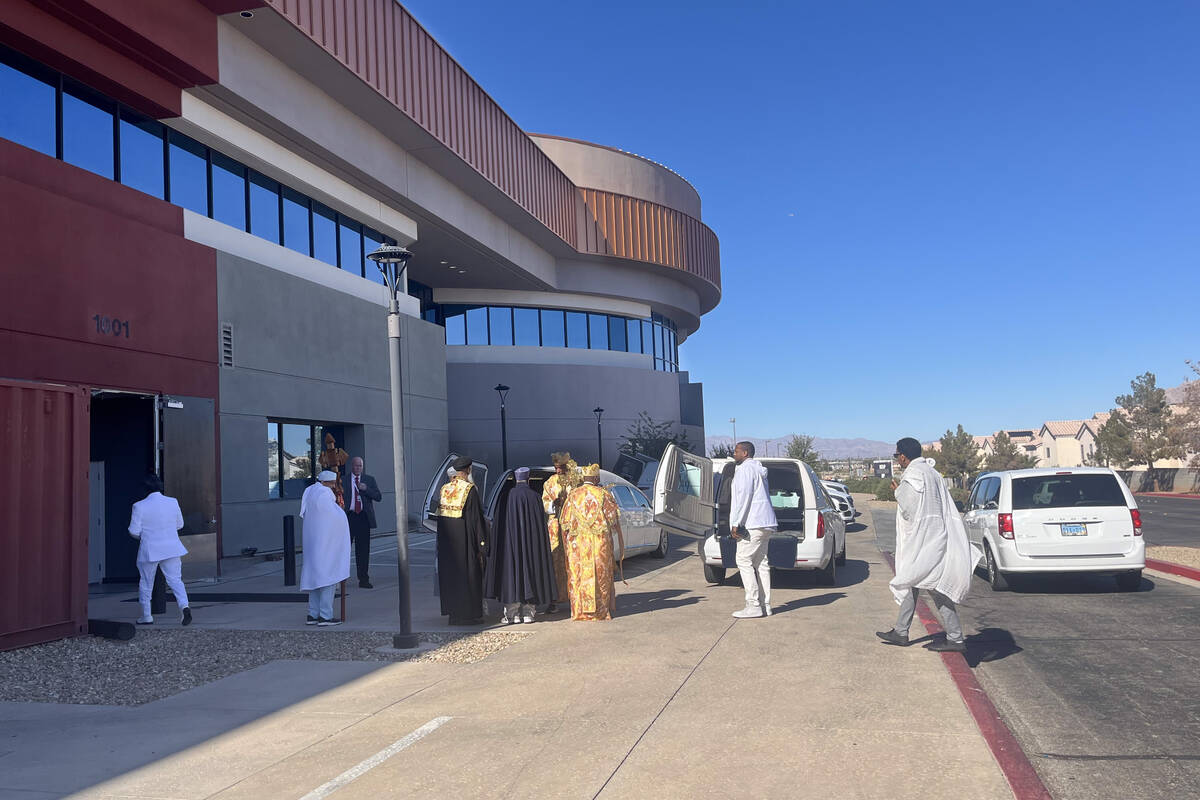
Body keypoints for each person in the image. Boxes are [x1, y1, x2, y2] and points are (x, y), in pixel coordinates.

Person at [876, 437, 981, 652]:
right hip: (936, 535)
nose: (898, 460)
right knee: (911, 582)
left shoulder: (914, 474)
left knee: (934, 587)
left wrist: (897, 491)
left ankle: (955, 638)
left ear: (903, 456)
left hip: (924, 540)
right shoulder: (932, 473)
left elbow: (909, 508)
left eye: (897, 456)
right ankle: (901, 631)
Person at [485, 467, 558, 623]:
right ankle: (528, 612)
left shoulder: (506, 496)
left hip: (510, 543)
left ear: (514, 479)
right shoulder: (534, 497)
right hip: (531, 543)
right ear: (529, 479)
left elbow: (498, 524)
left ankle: (511, 614)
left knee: (511, 572)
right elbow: (541, 524)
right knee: (531, 570)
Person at [559, 464, 625, 621]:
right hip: (599, 544)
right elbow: (613, 518)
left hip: (578, 545)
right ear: (596, 478)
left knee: (579, 576)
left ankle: (578, 612)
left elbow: (564, 522)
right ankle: (600, 612)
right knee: (600, 574)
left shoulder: (573, 495)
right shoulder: (603, 494)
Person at [128, 474, 191, 626]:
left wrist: (146, 535)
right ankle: (184, 607)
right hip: (172, 547)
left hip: (150, 549)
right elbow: (180, 524)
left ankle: (146, 615)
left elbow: (134, 531)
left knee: (146, 582)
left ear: (145, 489)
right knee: (176, 580)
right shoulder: (172, 502)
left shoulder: (139, 506)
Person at [436, 456, 489, 625]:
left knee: (450, 578)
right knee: (468, 577)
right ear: (468, 470)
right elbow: (475, 519)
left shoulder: (444, 489)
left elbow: (440, 518)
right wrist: (482, 543)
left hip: (447, 545)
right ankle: (468, 615)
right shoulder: (469, 490)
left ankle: (453, 614)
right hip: (466, 544)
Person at [728, 441, 778, 619]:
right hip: (766, 523)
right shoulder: (758, 469)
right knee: (761, 563)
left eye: (736, 451)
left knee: (742, 559)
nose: (734, 454)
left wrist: (736, 523)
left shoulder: (745, 470)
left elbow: (743, 497)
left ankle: (753, 605)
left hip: (753, 523)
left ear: (745, 453)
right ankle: (766, 605)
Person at [300, 470, 351, 626]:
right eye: (333, 483)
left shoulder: (310, 492)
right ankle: (325, 616)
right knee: (328, 578)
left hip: (312, 544)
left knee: (314, 579)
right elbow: (336, 517)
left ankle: (312, 614)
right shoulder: (325, 495)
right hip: (326, 544)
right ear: (329, 483)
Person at [541, 452, 577, 613]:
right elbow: (545, 503)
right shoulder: (549, 483)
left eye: (561, 468)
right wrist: (554, 504)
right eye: (556, 468)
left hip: (572, 526)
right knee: (555, 562)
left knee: (573, 561)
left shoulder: (576, 481)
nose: (558, 471)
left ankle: (575, 598)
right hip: (555, 526)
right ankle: (554, 600)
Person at [343, 456, 382, 588]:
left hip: (363, 518)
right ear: (351, 466)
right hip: (349, 517)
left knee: (363, 550)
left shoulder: (369, 480)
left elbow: (378, 497)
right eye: (356, 466)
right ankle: (341, 578)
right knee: (344, 549)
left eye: (360, 466)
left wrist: (366, 489)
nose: (358, 468)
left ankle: (363, 579)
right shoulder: (344, 480)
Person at [318, 432, 349, 508]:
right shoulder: (321, 493)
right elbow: (322, 461)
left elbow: (344, 457)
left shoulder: (337, 452)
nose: (330, 444)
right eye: (331, 483)